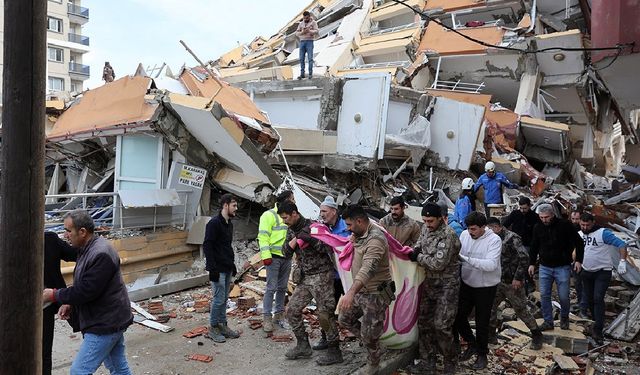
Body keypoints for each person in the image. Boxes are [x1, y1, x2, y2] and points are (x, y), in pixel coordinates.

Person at [42, 210, 133, 375]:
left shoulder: (100, 254)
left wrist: (54, 294)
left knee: (79, 371)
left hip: (105, 322)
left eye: (69, 231)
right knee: (118, 368)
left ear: (82, 232)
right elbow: (87, 285)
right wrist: (70, 303)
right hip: (112, 318)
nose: (65, 235)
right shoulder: (87, 248)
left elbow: (86, 290)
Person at [278, 202, 343, 365]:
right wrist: (295, 239)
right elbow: (285, 252)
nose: (284, 221)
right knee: (292, 310)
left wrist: (312, 240)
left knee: (324, 314)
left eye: (286, 218)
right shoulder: (291, 230)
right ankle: (303, 346)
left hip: (322, 276)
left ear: (294, 213)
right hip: (306, 278)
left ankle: (334, 351)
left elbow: (328, 248)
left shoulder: (314, 227)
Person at [406, 203, 461, 375]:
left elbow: (438, 263)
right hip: (430, 283)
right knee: (424, 323)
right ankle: (427, 361)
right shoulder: (425, 229)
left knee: (442, 325)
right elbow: (419, 244)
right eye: (425, 220)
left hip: (447, 285)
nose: (427, 224)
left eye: (430, 221)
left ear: (440, 219)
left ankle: (450, 362)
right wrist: (415, 250)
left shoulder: (448, 235)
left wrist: (418, 256)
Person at [338, 205, 393, 375]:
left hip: (376, 294)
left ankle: (374, 362)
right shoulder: (360, 233)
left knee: (368, 334)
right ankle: (374, 345)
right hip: (362, 291)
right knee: (344, 318)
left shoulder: (376, 239)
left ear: (359, 221)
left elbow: (368, 269)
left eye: (349, 225)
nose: (347, 229)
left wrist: (350, 293)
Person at [486, 217, 543, 350]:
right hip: (496, 280)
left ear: (497, 227)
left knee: (521, 309)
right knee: (490, 307)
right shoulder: (490, 238)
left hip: (512, 281)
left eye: (490, 229)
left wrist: (518, 278)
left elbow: (524, 257)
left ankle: (536, 334)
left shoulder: (512, 238)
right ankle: (491, 336)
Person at [454, 212, 502, 370]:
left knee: (482, 322)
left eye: (474, 229)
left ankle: (482, 355)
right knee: (457, 316)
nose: (470, 232)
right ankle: (471, 343)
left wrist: (466, 260)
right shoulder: (464, 235)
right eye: (468, 229)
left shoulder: (494, 240)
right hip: (467, 283)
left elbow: (491, 265)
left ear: (483, 227)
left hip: (486, 287)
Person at [528, 203, 584, 331]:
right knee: (544, 295)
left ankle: (564, 317)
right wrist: (531, 263)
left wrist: (578, 260)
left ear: (552, 214)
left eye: (546, 217)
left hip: (562, 266)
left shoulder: (565, 225)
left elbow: (579, 242)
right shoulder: (538, 227)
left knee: (564, 296)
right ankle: (548, 321)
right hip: (544, 266)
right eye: (541, 217)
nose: (544, 220)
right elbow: (534, 246)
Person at [579, 212, 628, 344]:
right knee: (589, 299)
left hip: (602, 271)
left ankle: (598, 330)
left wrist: (622, 261)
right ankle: (595, 321)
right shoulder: (580, 234)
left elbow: (622, 245)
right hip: (586, 270)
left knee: (598, 298)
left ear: (592, 223)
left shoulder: (602, 233)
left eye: (587, 225)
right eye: (582, 224)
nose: (584, 227)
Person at [203, 194, 241, 343]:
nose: (236, 209)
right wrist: (212, 268)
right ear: (225, 205)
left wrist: (232, 265)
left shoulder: (229, 224)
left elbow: (226, 247)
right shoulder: (214, 223)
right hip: (217, 268)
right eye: (234, 206)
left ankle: (223, 325)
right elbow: (208, 245)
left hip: (227, 267)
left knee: (224, 299)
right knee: (218, 299)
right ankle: (213, 328)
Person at [258, 190, 295, 332]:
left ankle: (279, 316)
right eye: (292, 199)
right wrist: (266, 255)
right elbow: (263, 236)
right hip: (273, 257)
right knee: (271, 288)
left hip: (286, 256)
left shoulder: (291, 215)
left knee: (282, 287)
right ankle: (267, 318)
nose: (294, 201)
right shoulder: (269, 215)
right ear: (286, 200)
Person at [315, 195, 348, 350]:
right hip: (330, 277)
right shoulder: (322, 229)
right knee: (326, 309)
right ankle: (326, 339)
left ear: (334, 211)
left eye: (325, 211)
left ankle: (364, 336)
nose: (322, 214)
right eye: (320, 211)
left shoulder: (347, 226)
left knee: (354, 308)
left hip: (347, 277)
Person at [43, 231, 77, 375]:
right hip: (10, 310)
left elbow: (77, 254)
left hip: (45, 306)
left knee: (43, 353)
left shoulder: (49, 240)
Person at [502, 196, 541, 294]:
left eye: (525, 208)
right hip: (514, 244)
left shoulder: (535, 217)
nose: (523, 210)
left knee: (525, 264)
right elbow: (505, 225)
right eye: (521, 208)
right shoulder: (515, 214)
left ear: (529, 206)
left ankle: (529, 285)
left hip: (528, 245)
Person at [569, 208, 587, 316]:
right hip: (573, 261)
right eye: (573, 219)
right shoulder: (569, 229)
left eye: (577, 219)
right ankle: (581, 303)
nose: (575, 221)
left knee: (585, 284)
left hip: (586, 261)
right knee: (577, 283)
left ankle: (585, 306)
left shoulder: (585, 231)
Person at [295, 11, 318, 79]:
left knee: (310, 58)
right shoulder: (301, 23)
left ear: (309, 16)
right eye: (304, 18)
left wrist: (310, 31)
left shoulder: (313, 22)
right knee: (301, 59)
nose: (306, 19)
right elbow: (296, 33)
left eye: (307, 18)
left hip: (309, 41)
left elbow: (317, 31)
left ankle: (310, 74)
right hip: (302, 42)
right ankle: (302, 74)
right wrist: (302, 32)